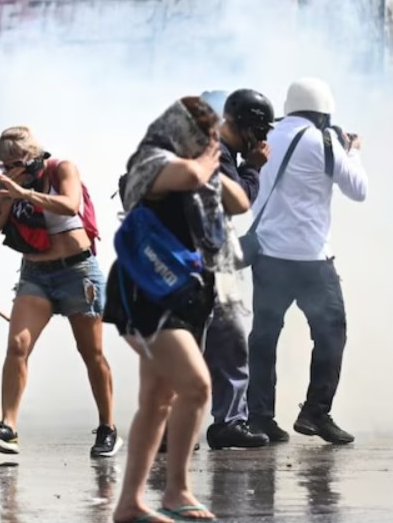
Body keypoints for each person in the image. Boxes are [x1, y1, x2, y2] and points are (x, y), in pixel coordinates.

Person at [104, 97, 249, 523]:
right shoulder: (153, 160)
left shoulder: (202, 172)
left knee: (156, 399)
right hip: (146, 291)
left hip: (182, 293)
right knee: (197, 386)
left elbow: (239, 201)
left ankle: (129, 504)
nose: (210, 142)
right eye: (203, 134)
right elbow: (186, 174)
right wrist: (205, 162)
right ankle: (177, 490)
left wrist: (214, 164)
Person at [0, 126, 119, 458]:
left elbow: (69, 205)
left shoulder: (61, 169)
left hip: (76, 271)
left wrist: (25, 195)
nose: (7, 171)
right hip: (36, 274)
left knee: (91, 352)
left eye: (12, 164)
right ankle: (7, 427)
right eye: (3, 165)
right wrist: (6, 197)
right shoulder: (11, 184)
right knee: (18, 345)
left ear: (32, 158)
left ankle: (108, 427)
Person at [247, 78, 367, 446]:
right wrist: (353, 151)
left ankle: (260, 417)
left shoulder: (264, 138)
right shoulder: (325, 142)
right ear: (322, 112)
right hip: (312, 260)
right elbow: (358, 190)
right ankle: (316, 411)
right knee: (331, 334)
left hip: (267, 256)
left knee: (264, 338)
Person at [202, 88, 275, 450]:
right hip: (206, 264)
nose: (261, 141)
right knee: (229, 342)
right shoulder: (219, 154)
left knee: (193, 343)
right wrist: (254, 168)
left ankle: (174, 427)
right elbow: (240, 202)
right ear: (247, 126)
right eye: (260, 131)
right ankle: (228, 421)